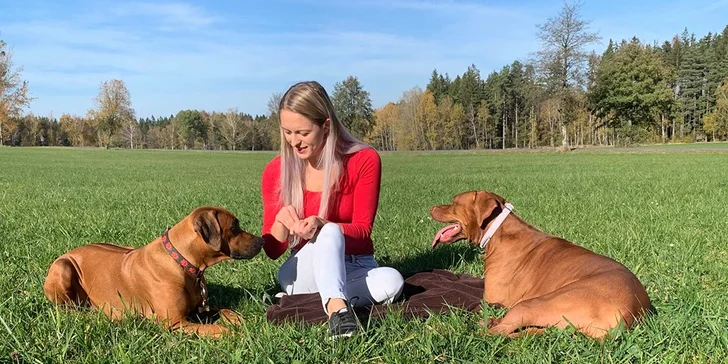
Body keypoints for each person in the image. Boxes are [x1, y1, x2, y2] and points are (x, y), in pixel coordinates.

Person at [260, 80, 404, 339]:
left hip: (358, 264)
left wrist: (323, 225)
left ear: (326, 126)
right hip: (305, 267)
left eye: (303, 133)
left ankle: (310, 300)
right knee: (329, 233)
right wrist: (281, 223)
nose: (294, 142)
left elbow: (362, 229)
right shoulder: (275, 171)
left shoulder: (364, 160)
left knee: (393, 282)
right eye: (287, 132)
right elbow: (272, 250)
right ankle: (338, 312)